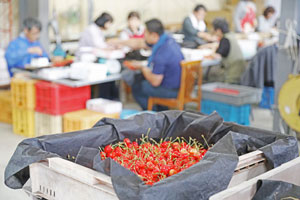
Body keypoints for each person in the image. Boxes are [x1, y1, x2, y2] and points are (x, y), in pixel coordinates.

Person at [130, 19, 184, 110]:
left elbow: (155, 82)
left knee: (138, 86)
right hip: (180, 85)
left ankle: (154, 115)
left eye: (146, 33)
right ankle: (162, 111)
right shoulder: (169, 40)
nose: (144, 36)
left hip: (171, 90)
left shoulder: (161, 52)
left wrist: (143, 68)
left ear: (154, 35)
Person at [207, 18, 245, 84]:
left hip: (232, 75)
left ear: (218, 30)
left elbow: (217, 56)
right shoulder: (231, 35)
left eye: (213, 29)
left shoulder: (225, 39)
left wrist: (211, 52)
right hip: (240, 72)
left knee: (212, 78)